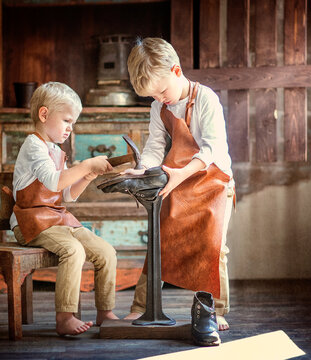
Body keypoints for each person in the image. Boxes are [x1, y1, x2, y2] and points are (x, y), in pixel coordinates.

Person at [124, 38, 235, 331]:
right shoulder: (159, 106)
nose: (161, 99)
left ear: (176, 70)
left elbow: (212, 150)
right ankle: (141, 306)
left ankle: (215, 309)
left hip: (214, 182)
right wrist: (142, 169)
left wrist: (177, 174)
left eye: (162, 91)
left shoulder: (206, 98)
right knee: (159, 243)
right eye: (153, 96)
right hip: (178, 183)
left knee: (213, 247)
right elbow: (154, 146)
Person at [9, 82, 118, 336]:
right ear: (44, 115)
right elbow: (54, 181)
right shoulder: (33, 146)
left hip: (56, 218)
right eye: (67, 120)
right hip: (31, 221)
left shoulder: (56, 150)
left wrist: (88, 175)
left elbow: (66, 194)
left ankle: (105, 311)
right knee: (73, 250)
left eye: (74, 122)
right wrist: (88, 163)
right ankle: (65, 316)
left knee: (106, 251)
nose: (71, 128)